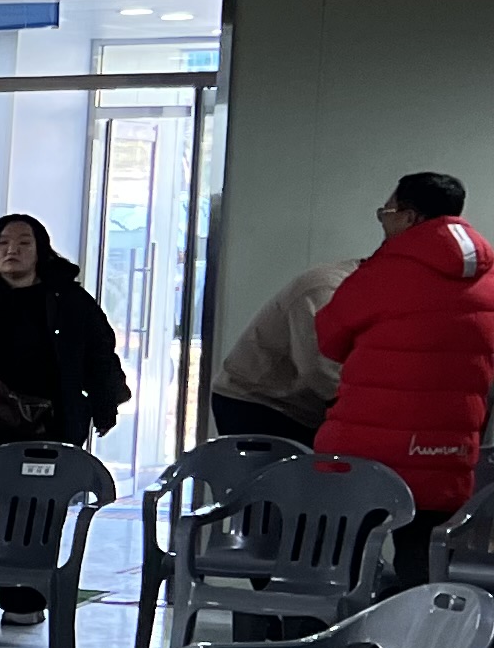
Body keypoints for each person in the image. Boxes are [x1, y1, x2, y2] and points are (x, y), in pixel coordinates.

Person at [0, 212, 129, 614]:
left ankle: (24, 600)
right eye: (2, 243)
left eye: (24, 243)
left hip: (48, 430)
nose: (12, 250)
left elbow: (100, 353)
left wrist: (105, 404)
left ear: (41, 250)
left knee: (35, 515)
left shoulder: (70, 300)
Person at [315, 171, 494, 578]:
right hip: (447, 453)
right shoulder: (488, 276)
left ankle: (353, 622)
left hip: (368, 453)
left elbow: (329, 339)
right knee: (424, 564)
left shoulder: (384, 272)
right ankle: (418, 621)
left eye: (387, 212)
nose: (384, 222)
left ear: (409, 216)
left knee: (344, 563)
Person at [206, 259, 346, 445]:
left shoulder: (339, 286)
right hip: (257, 402)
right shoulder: (325, 290)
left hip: (292, 403)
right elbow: (319, 369)